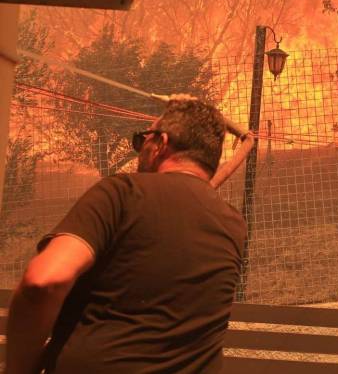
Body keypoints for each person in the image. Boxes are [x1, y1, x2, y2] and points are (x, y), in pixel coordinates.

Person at [5, 97, 248, 374]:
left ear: (160, 143)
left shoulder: (123, 192)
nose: (139, 150)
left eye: (140, 140)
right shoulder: (233, 224)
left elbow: (44, 281)